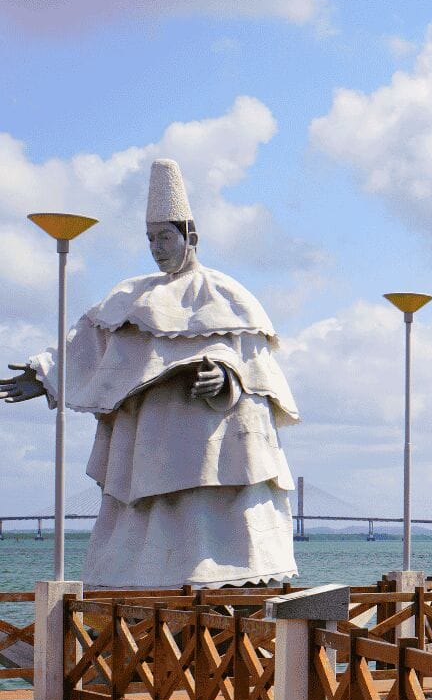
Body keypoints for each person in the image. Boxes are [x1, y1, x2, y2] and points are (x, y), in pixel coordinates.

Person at [0, 159, 300, 587]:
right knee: (151, 516)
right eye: (150, 239)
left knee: (206, 522)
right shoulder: (131, 297)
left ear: (190, 235)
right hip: (151, 444)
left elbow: (255, 369)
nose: (157, 248)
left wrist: (226, 379)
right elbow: (88, 347)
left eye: (165, 237)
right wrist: (45, 374)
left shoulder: (230, 297)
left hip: (212, 443)